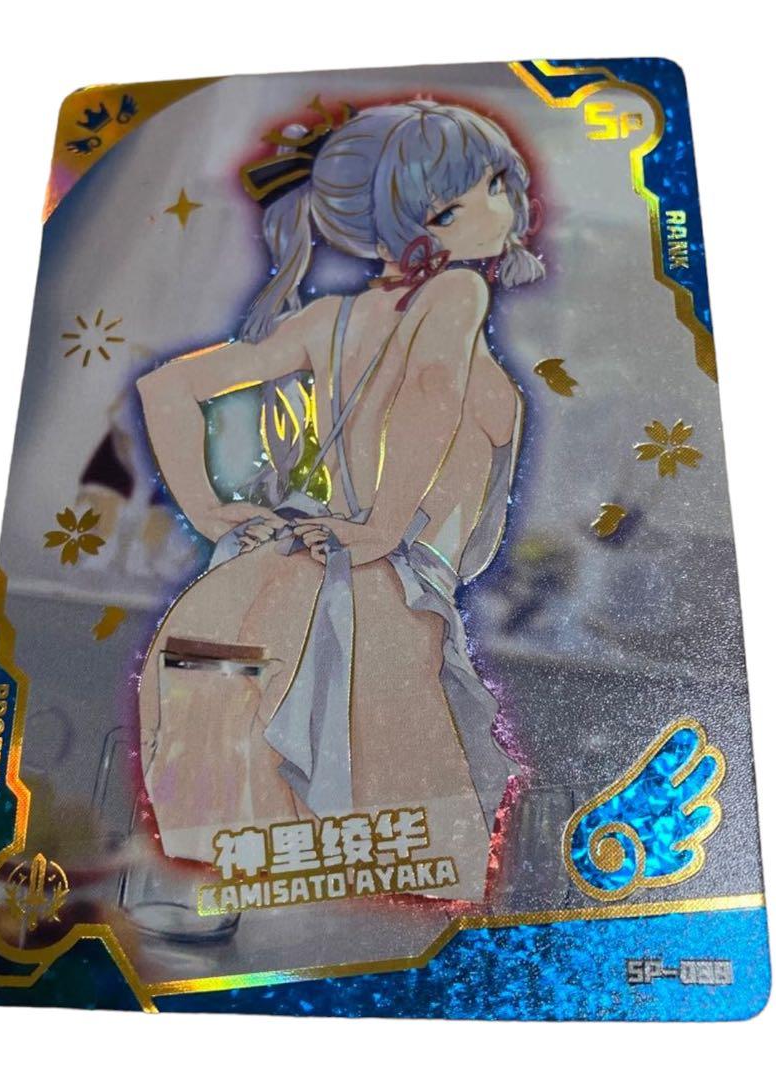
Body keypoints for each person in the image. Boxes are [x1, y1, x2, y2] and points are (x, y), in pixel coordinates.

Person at [136, 99, 544, 904]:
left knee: (237, 844)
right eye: (459, 203)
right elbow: (430, 389)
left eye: (499, 184)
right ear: (400, 228)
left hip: (244, 591)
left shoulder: (324, 320)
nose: (499, 208)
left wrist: (212, 515)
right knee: (401, 877)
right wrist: (384, 526)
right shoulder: (456, 292)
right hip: (363, 603)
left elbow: (167, 389)